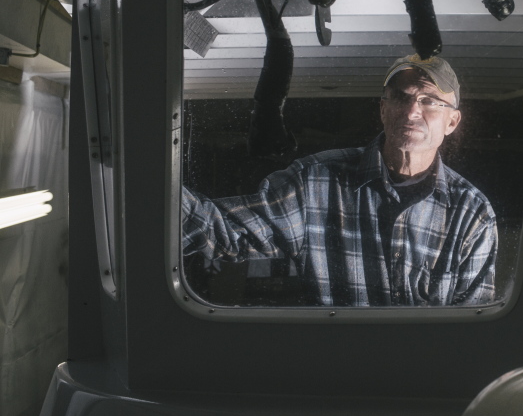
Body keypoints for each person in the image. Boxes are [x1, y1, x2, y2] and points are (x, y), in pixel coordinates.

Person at [181, 55, 497, 306]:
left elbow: (473, 322)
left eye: (429, 101)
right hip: (333, 371)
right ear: (384, 110)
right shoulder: (314, 182)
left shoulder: (472, 213)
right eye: (401, 99)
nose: (412, 111)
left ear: (452, 121)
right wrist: (146, 179)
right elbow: (220, 234)